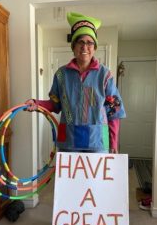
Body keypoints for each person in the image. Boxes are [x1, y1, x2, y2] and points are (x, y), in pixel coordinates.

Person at [26, 12, 126, 153]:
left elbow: (114, 112)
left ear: (95, 47)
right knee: (68, 176)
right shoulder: (61, 75)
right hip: (68, 143)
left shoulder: (105, 75)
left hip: (98, 143)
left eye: (90, 42)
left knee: (94, 176)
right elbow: (55, 104)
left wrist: (114, 144)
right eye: (80, 42)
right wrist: (37, 104)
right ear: (73, 46)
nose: (85, 47)